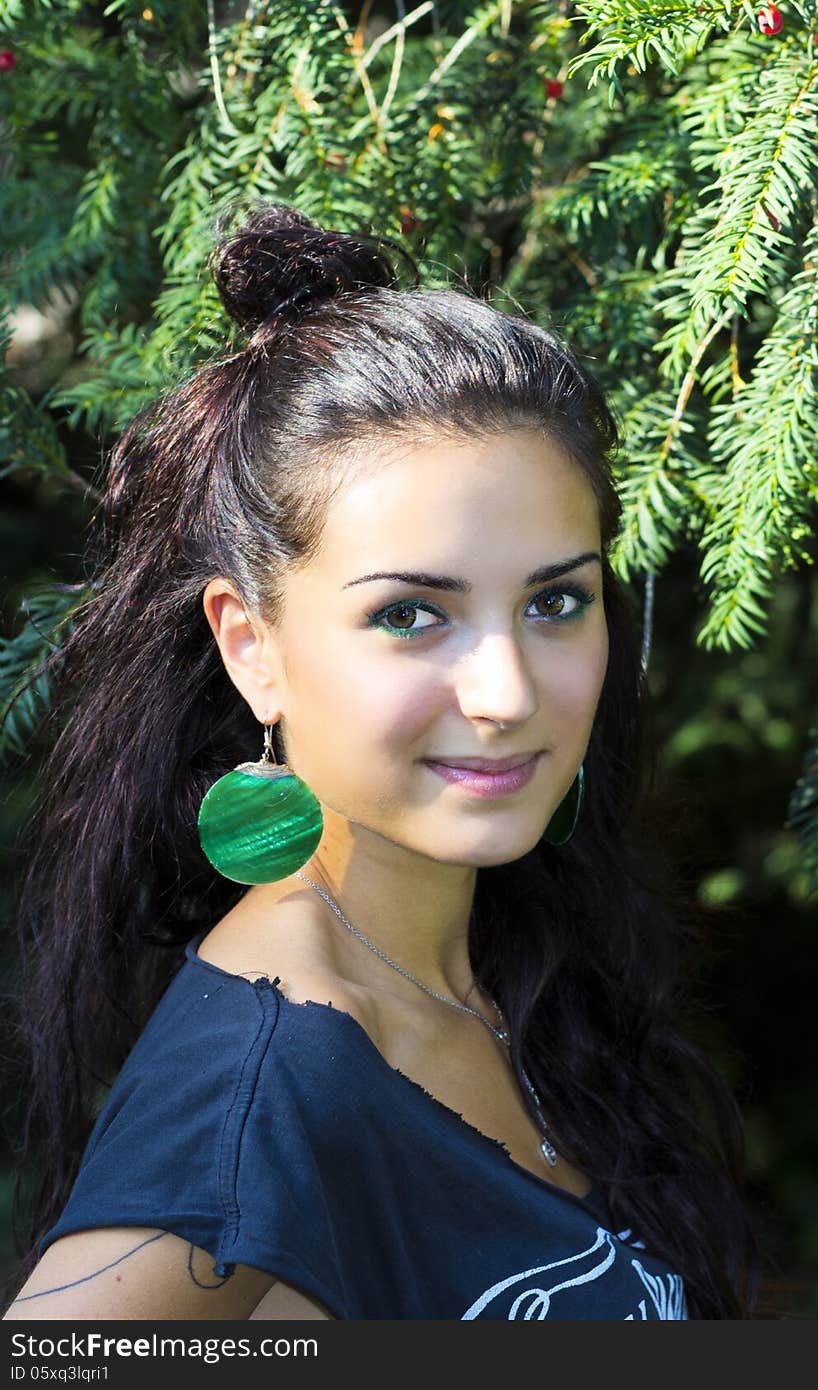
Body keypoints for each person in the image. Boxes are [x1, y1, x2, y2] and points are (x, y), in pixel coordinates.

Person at [3, 203, 761, 1321]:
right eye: (412, 615)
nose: (506, 693)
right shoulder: (265, 1082)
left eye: (556, 601)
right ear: (251, 648)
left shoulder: (510, 966)